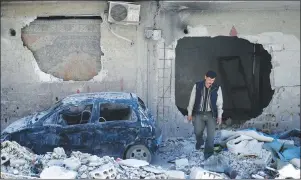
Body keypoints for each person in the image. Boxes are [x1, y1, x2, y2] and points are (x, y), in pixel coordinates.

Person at [187, 70, 223, 160]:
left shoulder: (217, 88)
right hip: (198, 113)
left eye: (213, 80)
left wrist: (219, 116)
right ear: (205, 77)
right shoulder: (197, 86)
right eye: (209, 79)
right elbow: (192, 100)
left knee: (211, 136)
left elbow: (220, 103)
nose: (211, 81)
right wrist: (189, 113)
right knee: (197, 131)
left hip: (211, 114)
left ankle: (208, 156)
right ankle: (199, 141)